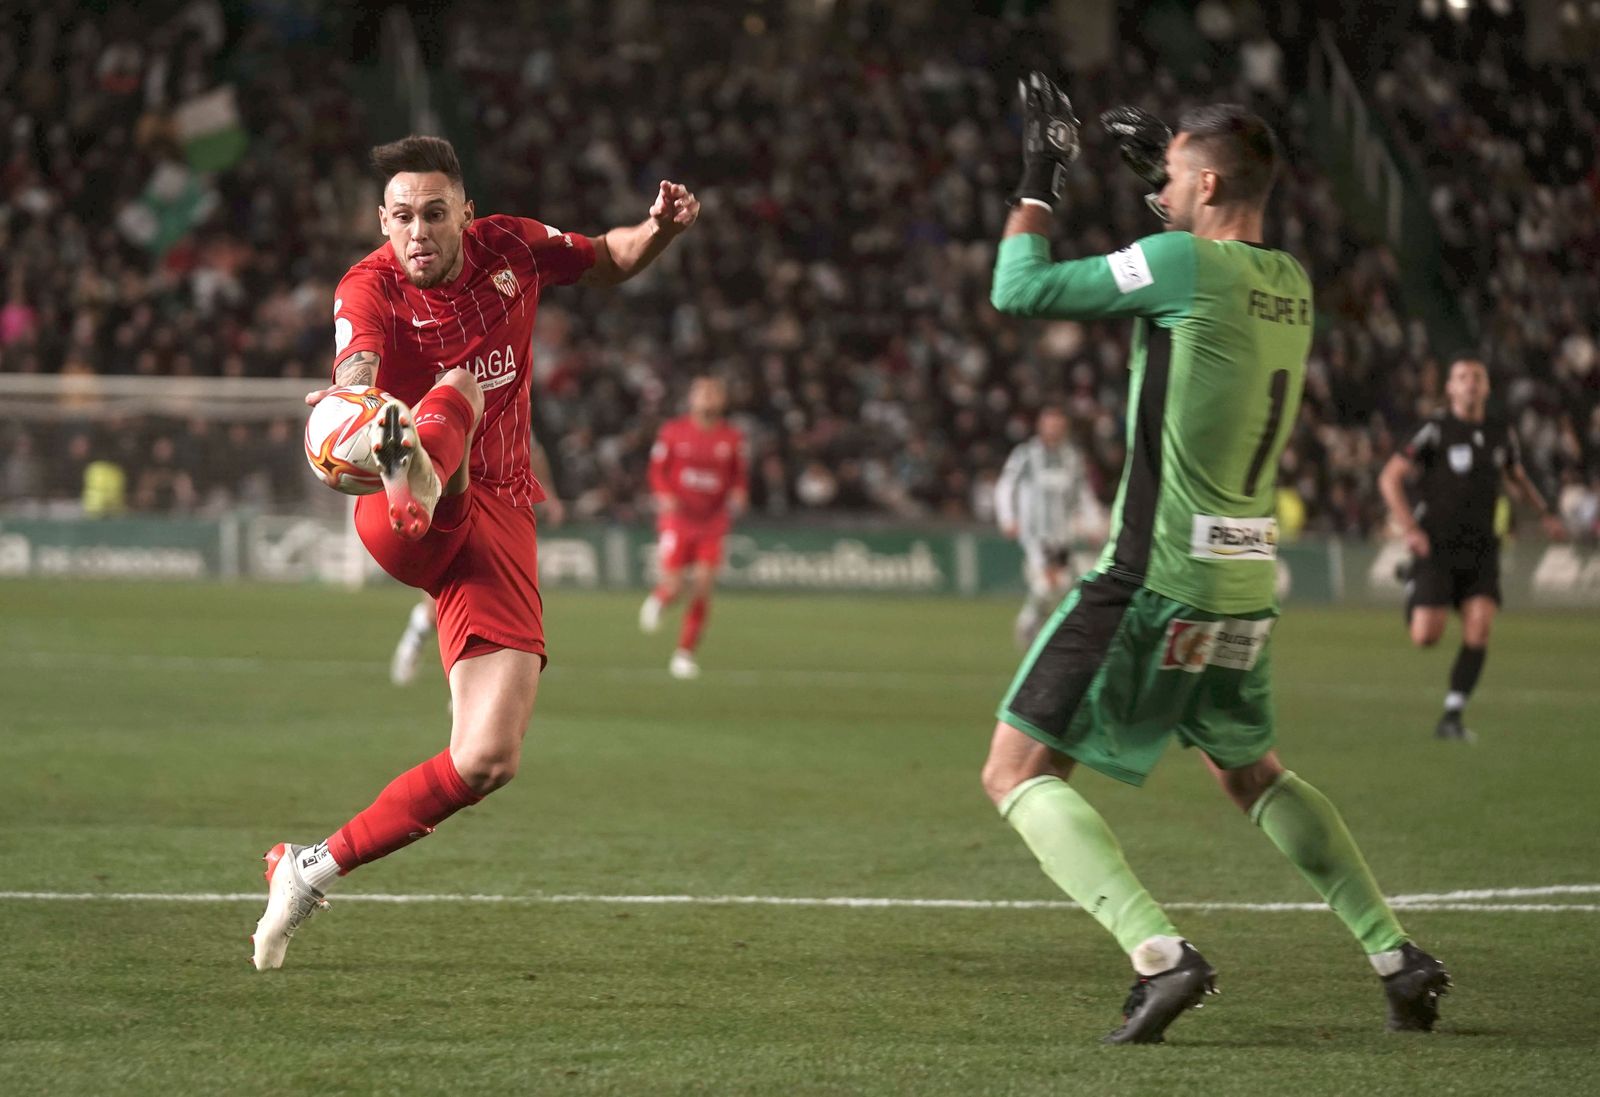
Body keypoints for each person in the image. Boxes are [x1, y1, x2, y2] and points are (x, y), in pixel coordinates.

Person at [982, 79, 1449, 1043]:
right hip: (1242, 581)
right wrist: (1167, 178)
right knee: (1254, 773)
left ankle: (1159, 954)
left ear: (1201, 182)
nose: (1163, 186)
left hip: (1151, 578)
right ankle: (1395, 953)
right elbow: (1191, 260)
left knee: (1016, 770)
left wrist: (1045, 168)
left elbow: (1017, 287)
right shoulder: (1290, 281)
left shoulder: (1180, 264)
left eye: (1173, 176)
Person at [251, 135, 699, 970]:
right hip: (401, 522)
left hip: (499, 516)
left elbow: (608, 258)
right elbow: (357, 360)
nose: (415, 231)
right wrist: (354, 397)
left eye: (431, 213)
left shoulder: (514, 248)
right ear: (382, 222)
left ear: (464, 209)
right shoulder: (368, 284)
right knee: (460, 384)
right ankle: (404, 460)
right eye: (399, 217)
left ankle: (307, 870)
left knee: (487, 758)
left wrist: (661, 228)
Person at [1377, 357, 1564, 741]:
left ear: (1487, 387)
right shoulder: (1434, 429)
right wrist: (1409, 529)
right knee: (1425, 637)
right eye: (1462, 377)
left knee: (1479, 629)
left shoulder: (1500, 432)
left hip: (1480, 549)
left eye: (1477, 378)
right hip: (1436, 546)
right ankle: (1413, 578)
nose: (1470, 384)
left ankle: (1452, 715)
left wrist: (1545, 513)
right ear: (1450, 387)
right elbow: (1390, 477)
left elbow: (1517, 476)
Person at [390, 430, 565, 686]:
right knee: (444, 600)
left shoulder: (509, 407)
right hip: (454, 503)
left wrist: (550, 494)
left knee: (502, 598)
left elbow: (533, 450)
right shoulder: (448, 406)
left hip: (499, 508)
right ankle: (418, 634)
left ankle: (473, 684)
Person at [637, 376, 747, 679]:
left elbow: (739, 477)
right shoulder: (673, 432)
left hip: (712, 522)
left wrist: (739, 494)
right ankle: (661, 598)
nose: (709, 398)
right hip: (678, 519)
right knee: (674, 585)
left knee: (701, 587)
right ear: (692, 398)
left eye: (714, 393)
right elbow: (657, 471)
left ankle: (684, 654)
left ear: (722, 401)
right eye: (703, 393)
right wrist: (664, 494)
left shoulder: (733, 438)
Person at [995, 404, 1099, 648]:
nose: (1054, 429)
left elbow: (1082, 494)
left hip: (1061, 534)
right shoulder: (1026, 454)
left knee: (1060, 583)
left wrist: (1092, 523)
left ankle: (1034, 621)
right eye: (1049, 424)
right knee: (1048, 580)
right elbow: (1006, 486)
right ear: (1040, 426)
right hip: (1035, 533)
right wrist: (1007, 518)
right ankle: (1028, 624)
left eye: (1058, 425)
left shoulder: (1072, 457)